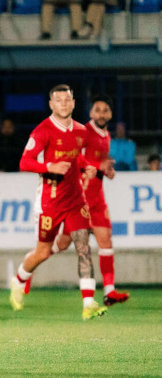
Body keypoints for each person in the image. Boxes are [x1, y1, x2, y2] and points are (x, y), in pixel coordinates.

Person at [10, 85, 105, 320]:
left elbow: (77, 156)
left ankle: (89, 302)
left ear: (73, 103)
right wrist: (48, 167)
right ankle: (20, 278)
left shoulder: (82, 131)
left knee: (83, 246)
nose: (63, 103)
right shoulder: (43, 131)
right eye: (58, 100)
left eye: (67, 99)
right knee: (43, 253)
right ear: (51, 105)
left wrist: (86, 167)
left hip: (76, 200)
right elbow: (25, 162)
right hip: (50, 203)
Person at [48, 95, 129, 307]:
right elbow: (72, 157)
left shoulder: (106, 136)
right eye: (97, 110)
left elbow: (98, 165)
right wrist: (96, 165)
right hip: (79, 199)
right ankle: (34, 262)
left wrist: (106, 170)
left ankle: (110, 291)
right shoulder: (83, 132)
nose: (101, 114)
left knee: (106, 241)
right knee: (63, 244)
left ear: (110, 115)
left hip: (97, 199)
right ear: (91, 113)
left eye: (105, 110)